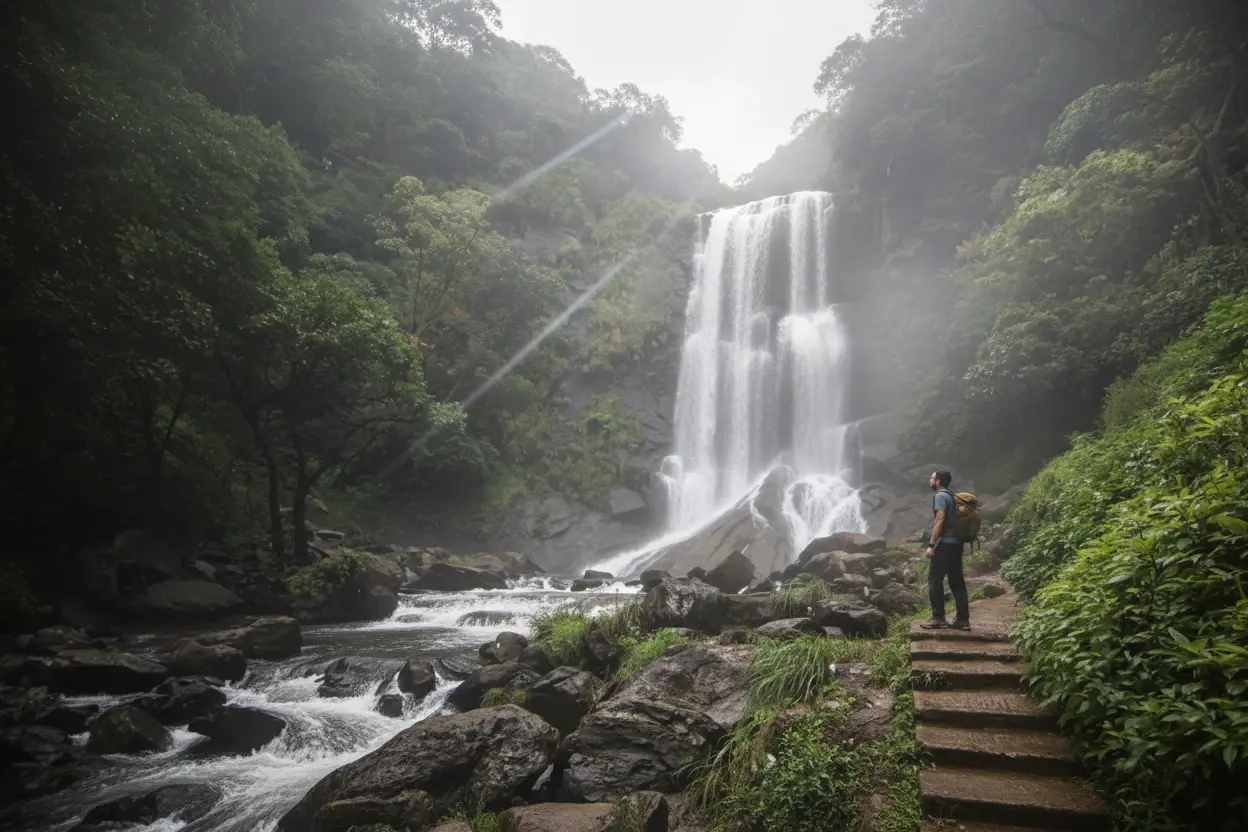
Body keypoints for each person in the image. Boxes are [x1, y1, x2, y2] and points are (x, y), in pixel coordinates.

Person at [920, 470, 970, 630]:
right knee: (957, 582)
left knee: (935, 579)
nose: (930, 480)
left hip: (945, 545)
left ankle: (938, 618)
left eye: (932, 478)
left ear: (938, 481)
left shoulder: (940, 496)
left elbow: (940, 519)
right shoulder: (952, 495)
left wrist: (931, 544)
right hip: (956, 544)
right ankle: (963, 620)